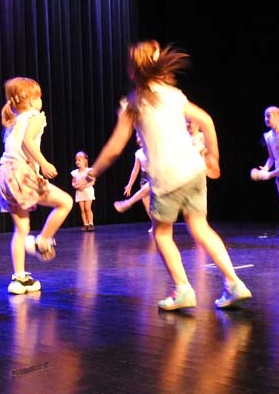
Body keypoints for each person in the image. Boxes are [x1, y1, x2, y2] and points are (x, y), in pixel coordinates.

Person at [77, 40, 251, 311]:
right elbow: (206, 120)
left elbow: (114, 148)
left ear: (132, 71)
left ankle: (183, 290)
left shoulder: (133, 104)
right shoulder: (173, 94)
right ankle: (234, 283)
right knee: (200, 228)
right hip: (194, 170)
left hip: (167, 178)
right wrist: (213, 156)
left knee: (161, 234)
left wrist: (92, 173)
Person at [0, 77, 73, 295]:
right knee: (65, 202)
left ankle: (19, 279)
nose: (41, 101)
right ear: (31, 101)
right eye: (39, 97)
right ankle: (43, 241)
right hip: (20, 173)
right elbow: (28, 142)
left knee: (21, 229)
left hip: (5, 175)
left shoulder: (12, 122)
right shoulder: (35, 116)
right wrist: (44, 163)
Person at [113, 133, 151, 218]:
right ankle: (154, 222)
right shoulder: (138, 153)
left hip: (155, 175)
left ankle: (127, 203)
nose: (138, 139)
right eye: (137, 137)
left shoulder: (153, 150)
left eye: (140, 136)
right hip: (144, 177)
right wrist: (129, 185)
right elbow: (135, 170)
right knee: (146, 202)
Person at [71, 151, 96, 231]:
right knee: (82, 209)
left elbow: (92, 181)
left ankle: (91, 223)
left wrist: (84, 186)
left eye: (79, 160)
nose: (77, 162)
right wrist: (75, 186)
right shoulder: (75, 172)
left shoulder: (89, 171)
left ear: (85, 160)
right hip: (79, 192)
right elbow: (73, 182)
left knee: (87, 207)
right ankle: (85, 224)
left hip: (88, 192)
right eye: (76, 160)